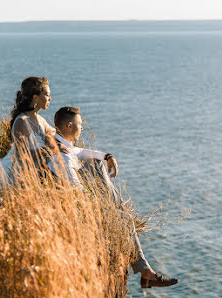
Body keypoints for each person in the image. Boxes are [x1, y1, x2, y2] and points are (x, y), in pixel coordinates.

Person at [47, 106, 179, 289]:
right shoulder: (62, 157)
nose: (82, 128)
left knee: (99, 164)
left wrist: (108, 156)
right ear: (69, 126)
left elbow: (82, 152)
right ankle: (146, 273)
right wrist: (102, 208)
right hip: (78, 208)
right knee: (125, 220)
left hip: (81, 197)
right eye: (79, 124)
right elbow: (77, 193)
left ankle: (118, 210)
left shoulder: (63, 146)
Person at [0, 76, 57, 189]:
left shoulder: (40, 120)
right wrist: (49, 150)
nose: (50, 99)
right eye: (47, 95)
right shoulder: (21, 121)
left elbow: (57, 134)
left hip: (36, 171)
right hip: (16, 173)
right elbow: (22, 156)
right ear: (35, 97)